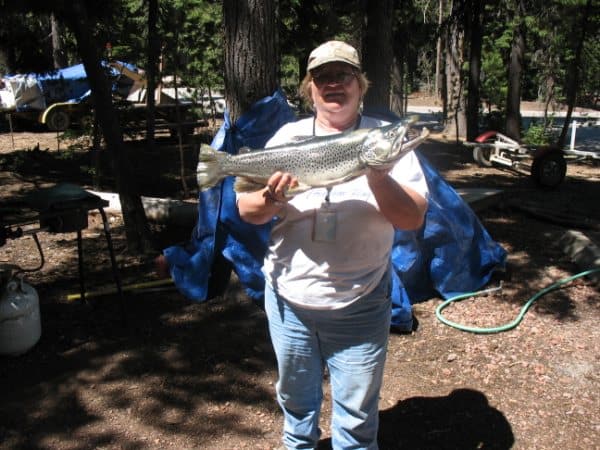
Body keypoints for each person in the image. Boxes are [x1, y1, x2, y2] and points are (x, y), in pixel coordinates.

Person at [236, 40, 429, 450]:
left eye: (343, 75)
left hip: (361, 301)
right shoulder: (287, 138)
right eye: (323, 77)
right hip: (289, 301)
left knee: (358, 418)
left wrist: (378, 175)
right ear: (310, 88)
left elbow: (413, 218)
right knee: (297, 405)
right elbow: (247, 210)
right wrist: (272, 197)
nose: (333, 85)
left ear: (361, 85)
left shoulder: (384, 139)